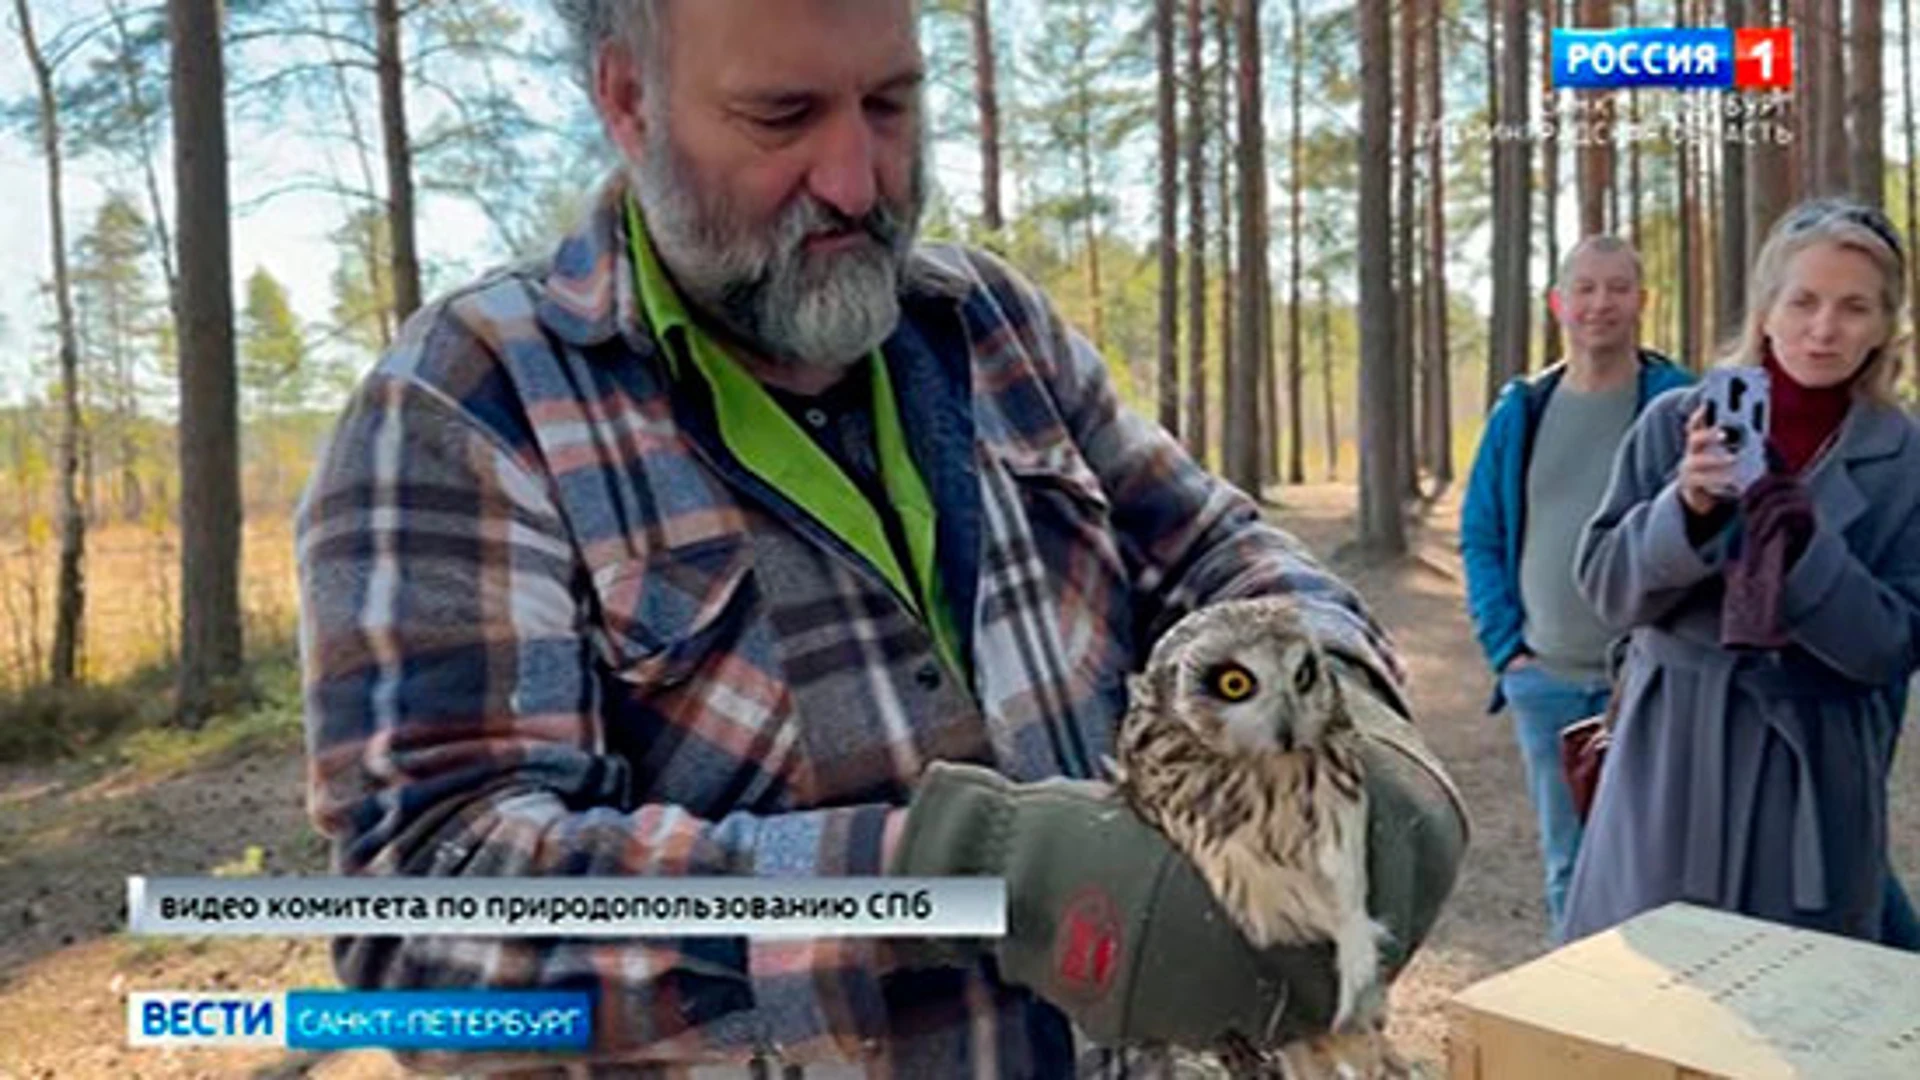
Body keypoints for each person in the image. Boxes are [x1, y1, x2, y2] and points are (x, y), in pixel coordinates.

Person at [293, 0, 1469, 1074]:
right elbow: (425, 922)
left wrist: (1350, 707)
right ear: (626, 99)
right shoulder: (469, 408)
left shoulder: (989, 326)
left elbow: (1217, 553)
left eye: (893, 104)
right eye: (783, 115)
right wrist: (954, 878)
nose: (859, 182)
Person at [1563, 199, 1920, 945]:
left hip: (1812, 776)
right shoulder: (1674, 422)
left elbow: (1891, 646)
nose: (1824, 328)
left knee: (1793, 1011)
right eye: (1805, 301)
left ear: (1887, 323)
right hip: (1670, 753)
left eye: (1855, 307)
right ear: (1766, 309)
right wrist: (1685, 510)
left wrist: (1809, 554)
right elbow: (1603, 587)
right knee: (1646, 996)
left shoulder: (1904, 457)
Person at [1460, 236, 1692, 941]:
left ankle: (1661, 1021)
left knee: (1661, 864)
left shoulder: (1680, 405)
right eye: (1585, 288)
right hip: (1548, 683)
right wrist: (1509, 653)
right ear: (1559, 303)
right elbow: (1482, 536)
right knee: (1570, 865)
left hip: (1652, 685)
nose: (1601, 304)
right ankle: (1579, 1023)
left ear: (1642, 301)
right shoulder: (1522, 412)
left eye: (1618, 288)